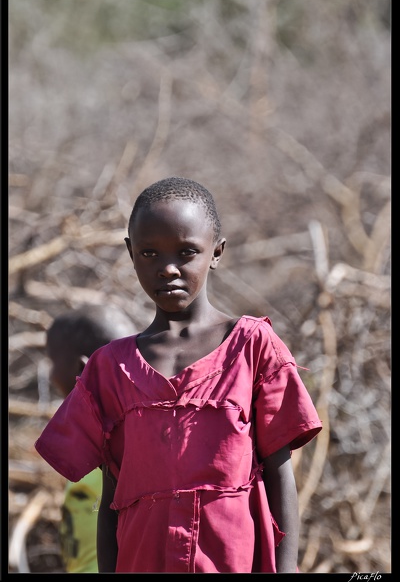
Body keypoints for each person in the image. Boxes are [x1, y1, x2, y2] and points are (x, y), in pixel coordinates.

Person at [35, 176, 323, 573]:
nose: (167, 268)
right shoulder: (110, 367)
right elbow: (112, 498)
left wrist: (287, 569)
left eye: (187, 252)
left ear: (217, 252)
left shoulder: (252, 346)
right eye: (150, 253)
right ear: (130, 253)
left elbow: (279, 473)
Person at [44, 304, 136, 573]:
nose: (50, 375)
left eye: (52, 361)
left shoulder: (121, 450)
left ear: (83, 369)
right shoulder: (89, 442)